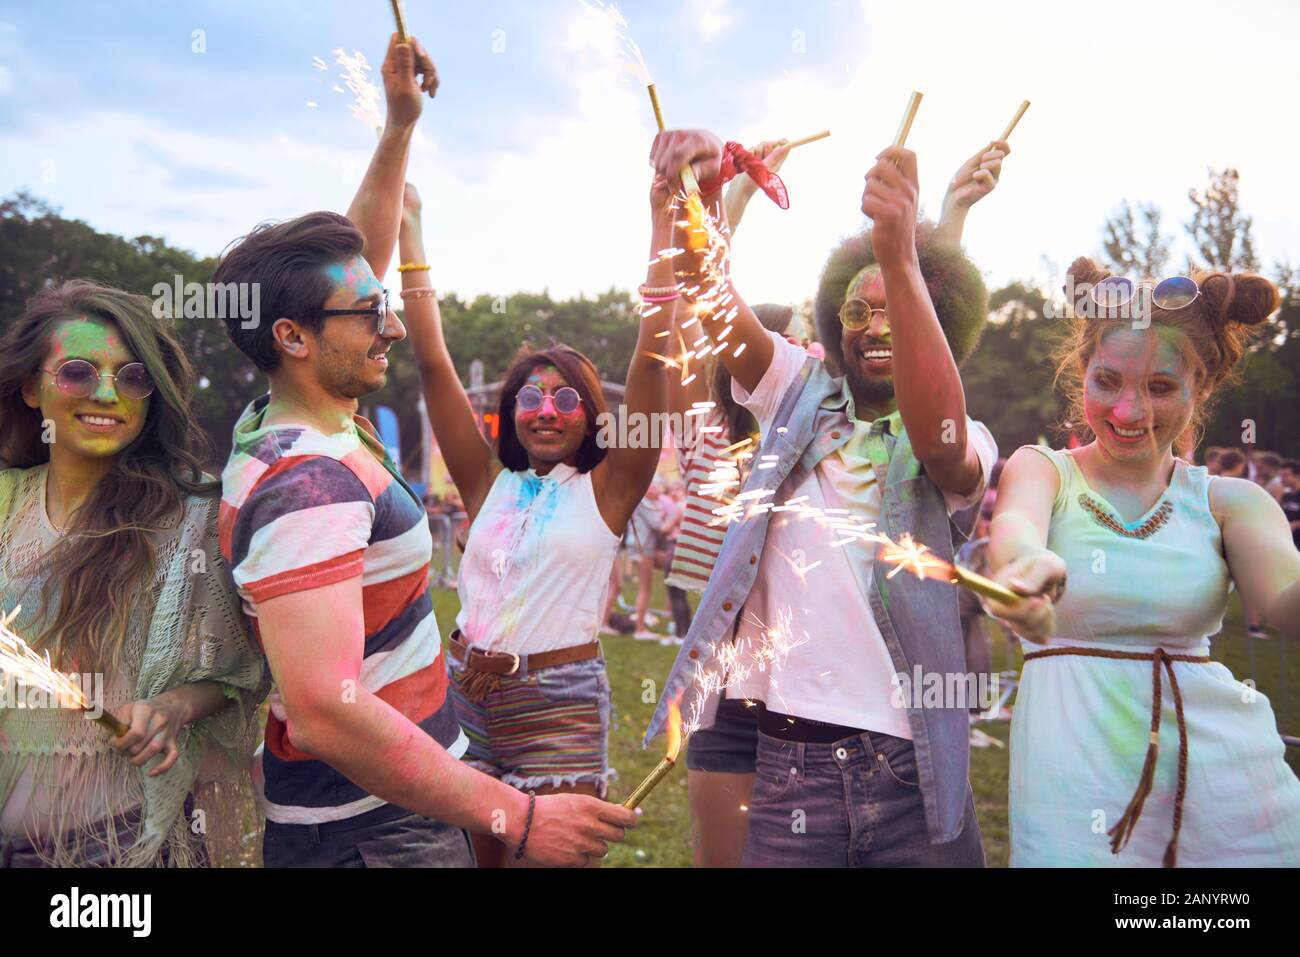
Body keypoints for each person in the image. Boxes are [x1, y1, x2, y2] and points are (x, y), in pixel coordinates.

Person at [215, 33, 633, 867]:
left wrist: (399, 125)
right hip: (372, 830)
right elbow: (325, 709)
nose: (392, 325)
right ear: (293, 336)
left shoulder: (297, 419)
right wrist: (512, 812)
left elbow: (348, 268)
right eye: (372, 314)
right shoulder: (311, 479)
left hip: (390, 808)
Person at [644, 128, 1006, 867]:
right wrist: (696, 197)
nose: (875, 326)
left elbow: (942, 445)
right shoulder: (794, 390)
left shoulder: (970, 434)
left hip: (915, 774)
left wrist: (903, 256)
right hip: (790, 770)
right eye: (855, 310)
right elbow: (710, 295)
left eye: (895, 310)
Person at [393, 154, 675, 864]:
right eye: (529, 397)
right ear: (510, 413)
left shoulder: (611, 488)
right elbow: (433, 363)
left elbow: (650, 366)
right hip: (463, 688)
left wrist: (662, 222)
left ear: (590, 417)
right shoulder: (487, 482)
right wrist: (410, 229)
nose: (546, 411)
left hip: (559, 702)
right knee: (473, 855)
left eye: (566, 399)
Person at [987, 257, 1300, 867]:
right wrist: (1025, 567)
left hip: (1228, 789)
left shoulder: (1231, 501)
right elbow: (1017, 530)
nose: (1129, 413)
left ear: (1202, 387)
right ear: (1082, 373)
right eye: (1107, 381)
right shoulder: (1043, 469)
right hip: (1072, 787)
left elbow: (1285, 597)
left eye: (1160, 387)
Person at [0, 280, 267, 867]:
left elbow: (238, 677)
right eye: (76, 372)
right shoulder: (3, 501)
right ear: (28, 388)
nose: (105, 392)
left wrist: (171, 709)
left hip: (117, 844)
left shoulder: (193, 519)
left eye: (132, 376)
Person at [1279, 458, 1300, 550]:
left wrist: (1295, 525)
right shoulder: (1286, 495)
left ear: (1297, 476)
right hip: (1288, 542)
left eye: (1286, 475)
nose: (1282, 479)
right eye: (1281, 476)